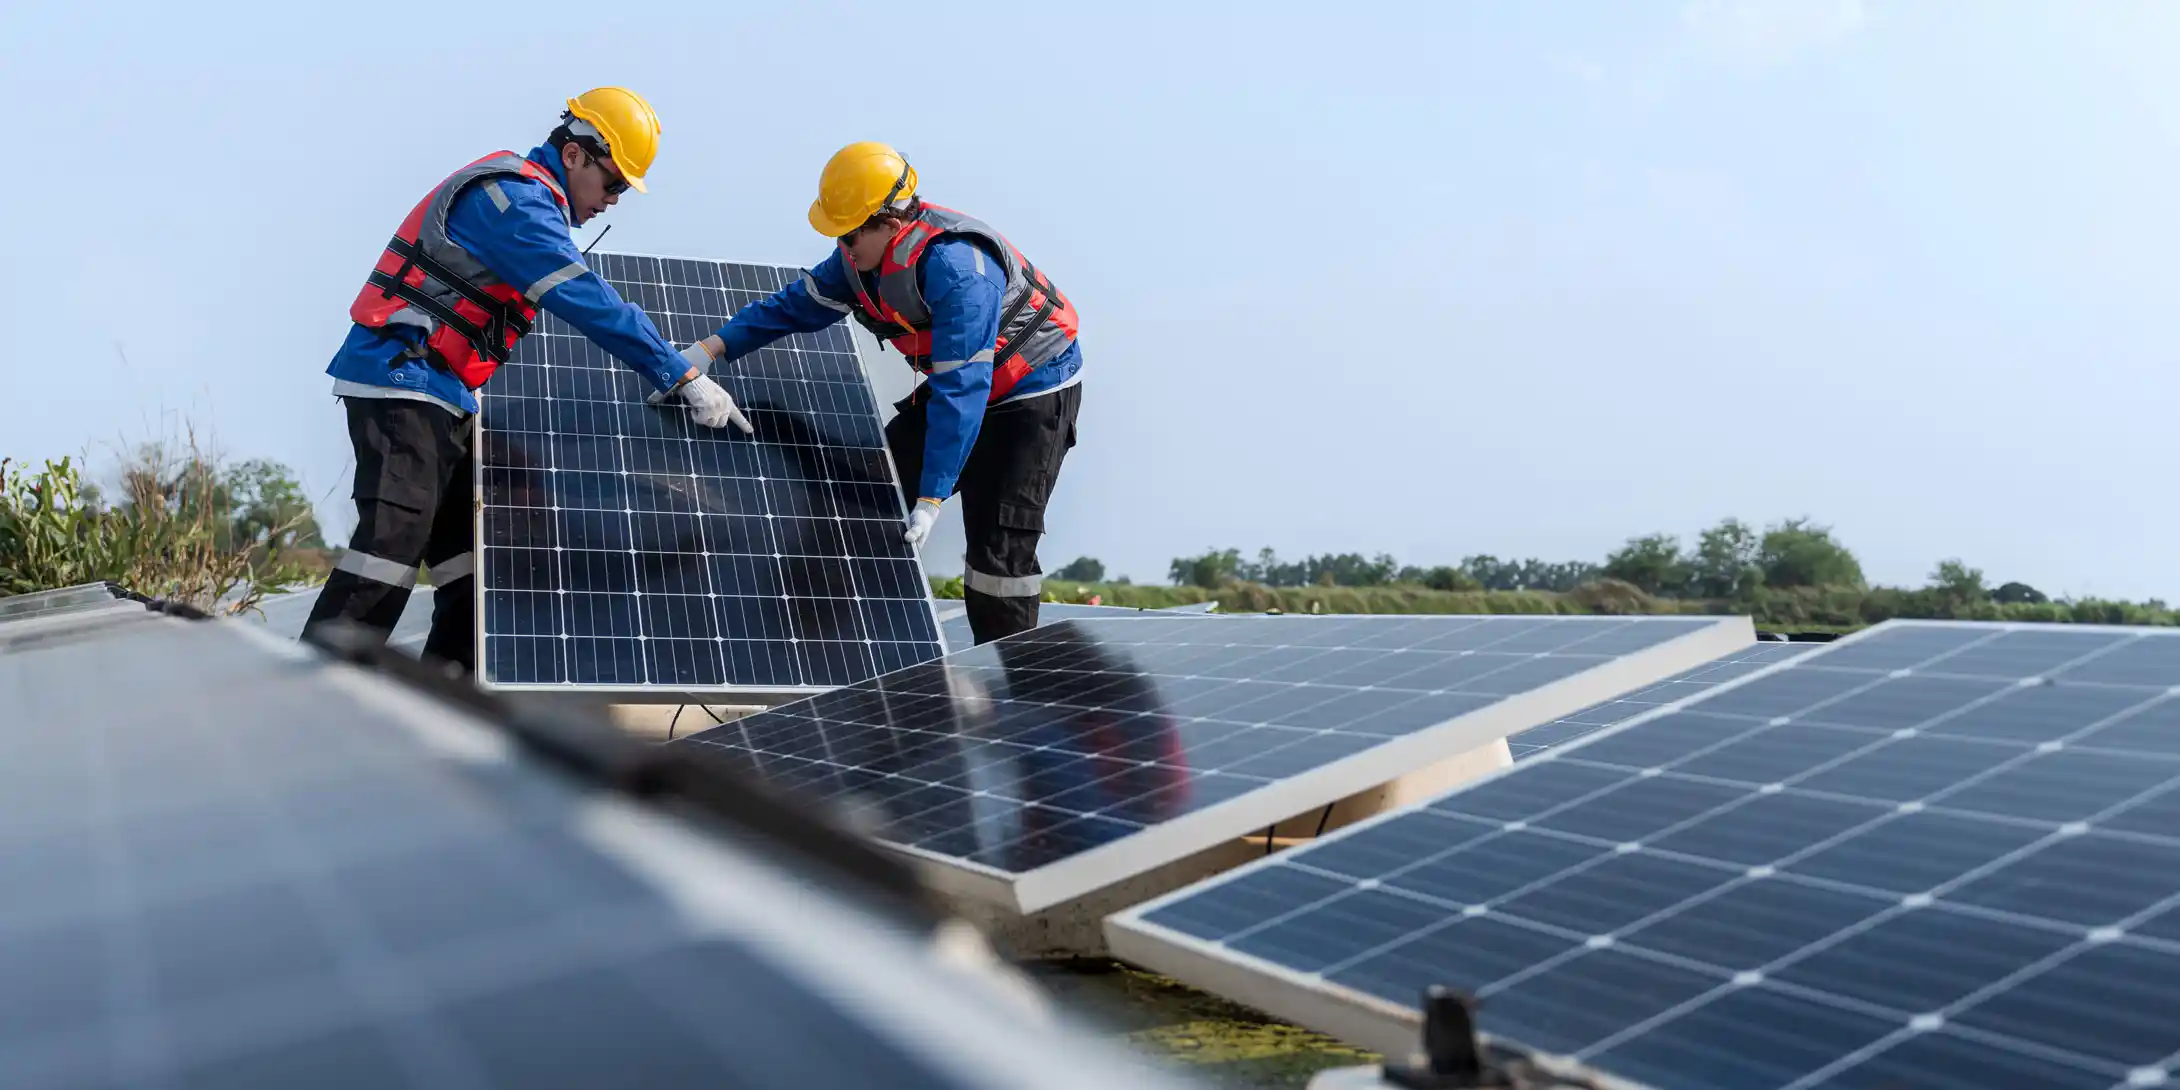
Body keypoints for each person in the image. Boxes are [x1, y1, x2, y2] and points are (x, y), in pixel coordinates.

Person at [302, 87, 753, 674]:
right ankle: (312, 683)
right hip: (401, 379)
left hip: (445, 396)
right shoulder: (512, 201)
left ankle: (445, 700)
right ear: (575, 156)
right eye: (613, 183)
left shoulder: (530, 205)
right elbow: (587, 301)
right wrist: (679, 372)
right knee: (394, 539)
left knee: (475, 566)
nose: (613, 201)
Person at [683, 141, 1084, 646]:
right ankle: (845, 652)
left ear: (891, 227)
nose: (843, 247)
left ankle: (1013, 693)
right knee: (868, 496)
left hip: (1030, 399)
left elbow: (963, 389)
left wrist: (933, 496)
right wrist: (709, 349)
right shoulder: (857, 259)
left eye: (850, 235)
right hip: (961, 389)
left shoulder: (960, 270)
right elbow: (792, 308)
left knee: (997, 555)